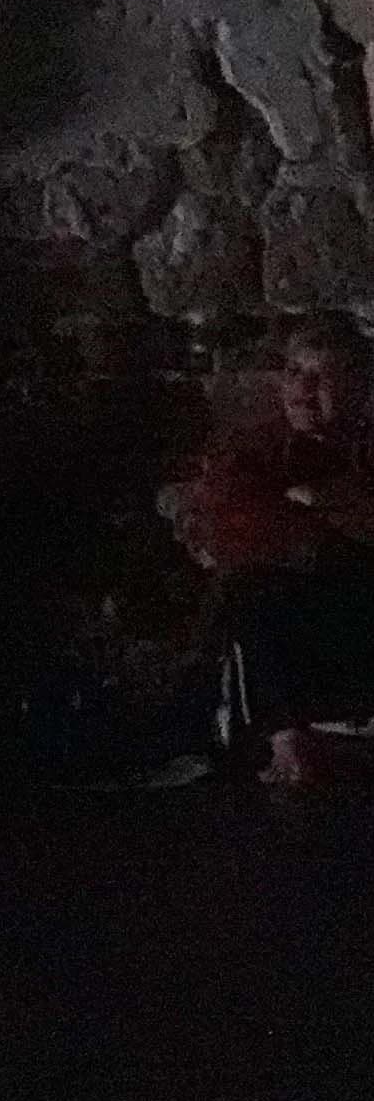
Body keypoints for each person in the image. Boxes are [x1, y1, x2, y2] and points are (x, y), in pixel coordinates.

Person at [163, 318, 374, 788]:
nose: (301, 388)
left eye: (318, 375)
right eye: (294, 371)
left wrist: (320, 507)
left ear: (356, 386)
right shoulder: (260, 450)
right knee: (249, 588)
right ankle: (283, 737)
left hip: (355, 607)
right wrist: (313, 523)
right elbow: (226, 526)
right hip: (293, 604)